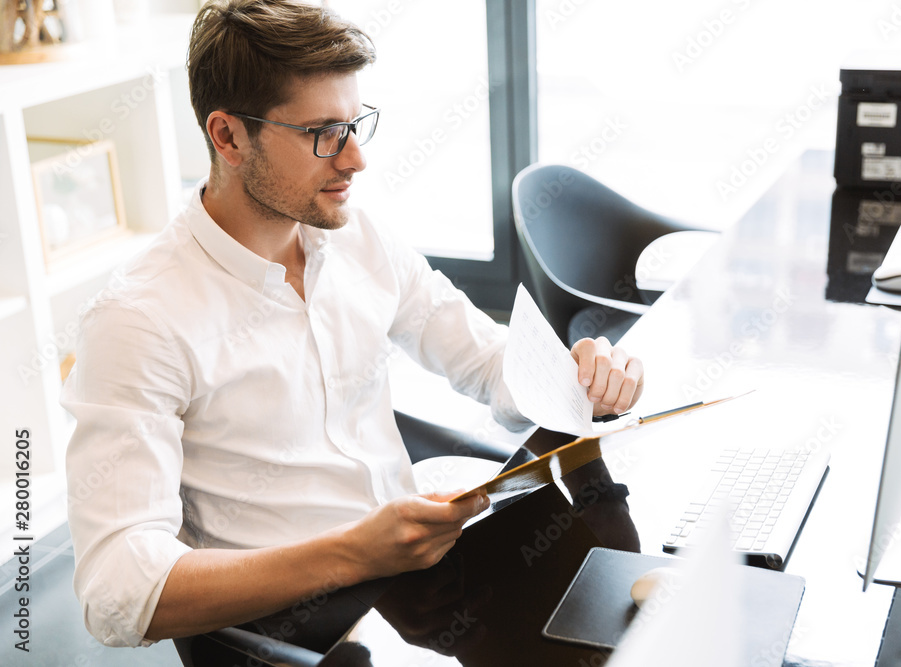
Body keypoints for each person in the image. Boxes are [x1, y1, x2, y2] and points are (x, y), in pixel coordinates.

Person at [62, 0, 645, 650]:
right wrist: (353, 554)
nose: (355, 159)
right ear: (227, 137)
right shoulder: (139, 321)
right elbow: (116, 593)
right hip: (298, 627)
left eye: (355, 123)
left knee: (628, 611)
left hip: (419, 577)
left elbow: (485, 360)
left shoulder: (359, 240)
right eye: (323, 134)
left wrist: (580, 375)